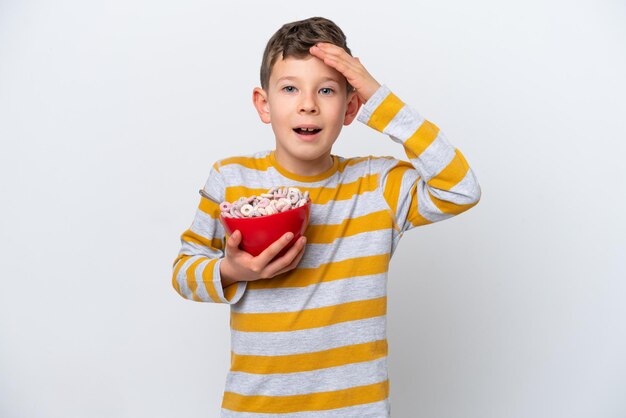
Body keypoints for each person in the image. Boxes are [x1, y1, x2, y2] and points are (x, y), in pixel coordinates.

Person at [172, 16, 481, 417]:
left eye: (327, 90)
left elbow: (460, 188)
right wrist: (232, 271)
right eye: (289, 88)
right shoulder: (232, 179)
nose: (308, 103)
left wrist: (380, 97)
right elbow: (183, 271)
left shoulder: (377, 185)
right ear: (263, 104)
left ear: (351, 107)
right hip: (256, 407)